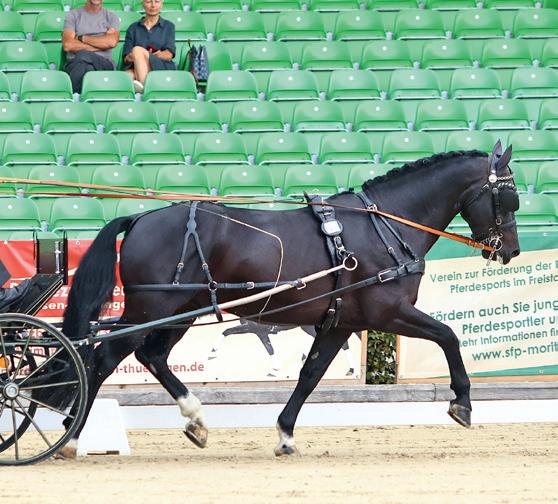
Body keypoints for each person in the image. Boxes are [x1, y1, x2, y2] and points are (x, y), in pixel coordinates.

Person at [62, 0, 120, 94]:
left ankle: (74, 96)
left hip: (103, 63)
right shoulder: (73, 15)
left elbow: (111, 42)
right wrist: (102, 45)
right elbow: (68, 45)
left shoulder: (111, 17)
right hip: (75, 63)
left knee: (82, 54)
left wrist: (82, 38)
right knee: (87, 67)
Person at [123, 0, 176, 93]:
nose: (153, 5)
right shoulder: (133, 28)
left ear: (162, 3)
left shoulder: (168, 26)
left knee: (137, 50)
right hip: (136, 66)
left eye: (157, 1)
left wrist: (147, 55)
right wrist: (134, 56)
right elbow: (126, 58)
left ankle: (145, 91)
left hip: (160, 65)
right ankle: (147, 89)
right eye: (148, 2)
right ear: (143, 3)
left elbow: (169, 54)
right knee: (127, 76)